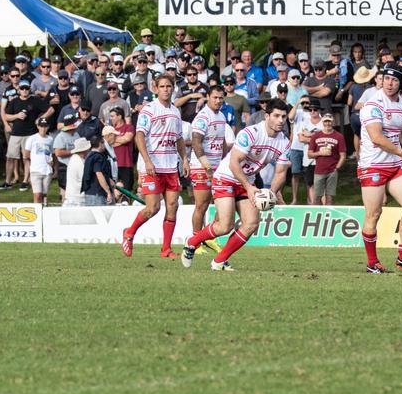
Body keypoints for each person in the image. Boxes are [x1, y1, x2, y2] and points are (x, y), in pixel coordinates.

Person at [182, 98, 291, 271]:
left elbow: (280, 172)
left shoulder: (284, 142)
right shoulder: (251, 133)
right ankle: (192, 242)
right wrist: (249, 188)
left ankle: (219, 261)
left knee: (251, 224)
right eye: (276, 116)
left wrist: (271, 193)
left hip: (247, 182)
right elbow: (234, 163)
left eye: (283, 117)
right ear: (267, 116)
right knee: (225, 226)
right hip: (226, 177)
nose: (280, 120)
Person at [358, 64, 402, 274]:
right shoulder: (373, 104)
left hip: (394, 166)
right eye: (386, 78)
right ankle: (372, 262)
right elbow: (376, 138)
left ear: (401, 83)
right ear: (380, 80)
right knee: (374, 213)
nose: (389, 82)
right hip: (372, 165)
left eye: (394, 80)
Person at [122, 75, 188, 259]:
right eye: (162, 86)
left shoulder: (175, 112)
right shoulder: (149, 110)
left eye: (169, 86)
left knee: (173, 205)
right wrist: (147, 160)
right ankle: (129, 233)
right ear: (156, 89)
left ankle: (166, 249)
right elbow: (139, 136)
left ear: (173, 88)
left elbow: (179, 138)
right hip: (152, 166)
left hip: (170, 167)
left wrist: (184, 159)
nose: (166, 89)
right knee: (153, 208)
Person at [189, 85, 228, 254]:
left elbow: (223, 142)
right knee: (202, 205)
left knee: (221, 204)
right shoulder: (202, 117)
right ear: (208, 97)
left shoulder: (222, 116)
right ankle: (195, 241)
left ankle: (209, 238)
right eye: (215, 97)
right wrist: (206, 165)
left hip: (218, 166)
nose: (218, 101)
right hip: (201, 167)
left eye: (221, 98)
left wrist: (225, 162)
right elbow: (196, 142)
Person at [4, 80, 52, 191]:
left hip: (30, 134)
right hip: (16, 133)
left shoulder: (35, 100)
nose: (24, 90)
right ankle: (7, 181)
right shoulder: (14, 101)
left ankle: (25, 180)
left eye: (26, 88)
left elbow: (50, 109)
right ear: (18, 90)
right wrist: (17, 115)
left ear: (30, 88)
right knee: (10, 158)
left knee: (27, 158)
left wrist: (40, 119)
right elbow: (6, 116)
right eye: (22, 88)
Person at [308, 114, 346, 205]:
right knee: (317, 197)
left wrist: (337, 168)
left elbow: (343, 155)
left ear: (333, 122)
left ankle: (328, 216)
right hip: (319, 170)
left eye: (329, 121)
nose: (328, 123)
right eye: (325, 121)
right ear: (322, 122)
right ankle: (316, 216)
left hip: (332, 170)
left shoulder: (339, 136)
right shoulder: (316, 136)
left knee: (329, 197)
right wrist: (320, 153)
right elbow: (309, 154)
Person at [23, 118, 54, 206]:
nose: (43, 128)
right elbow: (26, 154)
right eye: (41, 126)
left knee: (44, 194)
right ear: (38, 126)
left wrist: (51, 163)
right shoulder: (32, 138)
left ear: (48, 127)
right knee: (37, 194)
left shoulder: (50, 139)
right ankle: (37, 212)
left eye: (45, 126)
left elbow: (52, 153)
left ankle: (44, 210)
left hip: (47, 170)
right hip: (36, 170)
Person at [108, 108, 135, 200]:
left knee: (127, 191)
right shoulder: (110, 130)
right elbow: (108, 142)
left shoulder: (129, 127)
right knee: (114, 191)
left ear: (119, 116)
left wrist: (114, 140)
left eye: (112, 116)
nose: (111, 118)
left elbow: (127, 139)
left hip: (126, 163)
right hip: (114, 165)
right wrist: (121, 139)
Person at [53, 113, 81, 201]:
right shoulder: (60, 137)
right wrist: (73, 151)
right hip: (65, 166)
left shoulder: (76, 135)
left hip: (76, 165)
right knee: (65, 191)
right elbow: (57, 152)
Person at [81, 135, 114, 206]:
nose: (105, 145)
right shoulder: (98, 157)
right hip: (97, 194)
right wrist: (108, 191)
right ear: (100, 144)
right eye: (103, 143)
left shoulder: (88, 156)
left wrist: (110, 181)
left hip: (89, 192)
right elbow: (99, 174)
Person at [63, 137, 90, 206]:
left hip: (72, 196)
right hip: (77, 199)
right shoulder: (79, 162)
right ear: (85, 150)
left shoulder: (74, 158)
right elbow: (85, 179)